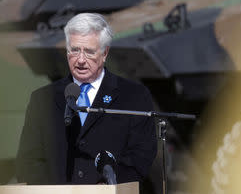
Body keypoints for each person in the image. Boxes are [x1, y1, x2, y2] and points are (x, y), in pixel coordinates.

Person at [16, 13, 157, 184]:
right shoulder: (43, 99)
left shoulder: (134, 96)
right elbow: (28, 162)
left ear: (105, 53)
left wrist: (102, 190)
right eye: (75, 50)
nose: (81, 60)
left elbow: (140, 158)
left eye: (89, 51)